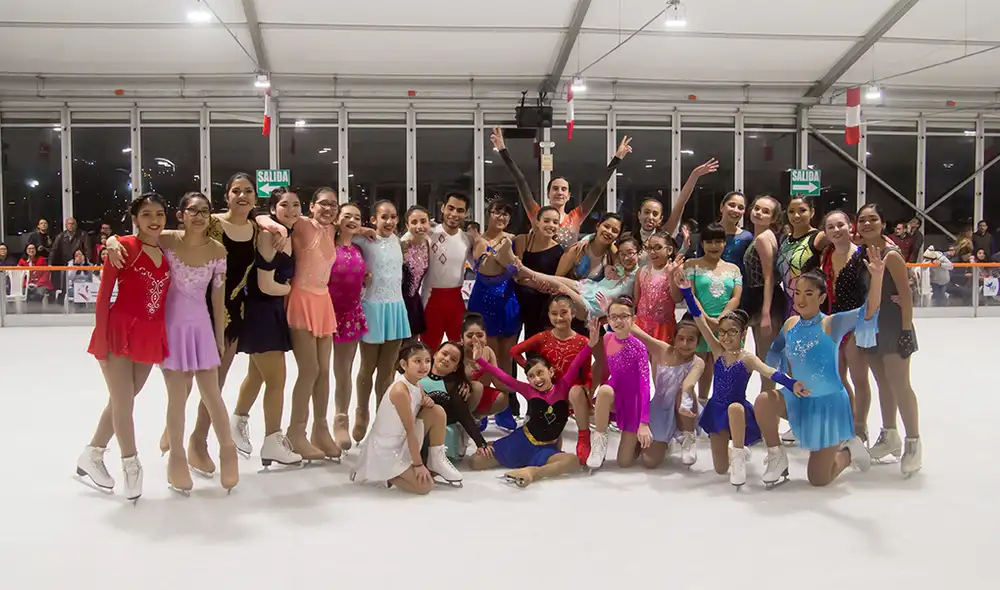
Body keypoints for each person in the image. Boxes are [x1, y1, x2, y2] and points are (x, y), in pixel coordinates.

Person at [676, 269, 808, 489]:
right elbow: (700, 320)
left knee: (735, 407)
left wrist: (792, 384)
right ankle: (732, 452)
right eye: (723, 332)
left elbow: (770, 372)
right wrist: (687, 293)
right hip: (717, 410)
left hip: (737, 410)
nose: (726, 337)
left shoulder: (748, 358)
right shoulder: (717, 351)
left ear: (743, 333)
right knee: (719, 469)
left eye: (732, 332)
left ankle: (738, 454)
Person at [76, 194, 170, 501]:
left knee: (124, 398)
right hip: (120, 329)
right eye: (146, 214)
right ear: (135, 218)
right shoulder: (124, 247)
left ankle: (92, 453)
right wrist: (101, 339)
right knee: (123, 401)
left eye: (159, 213)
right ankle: (131, 464)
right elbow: (103, 297)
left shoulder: (167, 247)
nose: (154, 220)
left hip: (150, 332)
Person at [756, 264, 882, 487]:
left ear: (822, 297)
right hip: (800, 399)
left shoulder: (831, 323)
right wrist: (784, 376)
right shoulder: (790, 324)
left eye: (809, 294)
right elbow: (775, 351)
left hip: (828, 408)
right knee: (764, 401)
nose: (801, 299)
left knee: (818, 479)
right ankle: (776, 456)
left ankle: (849, 451)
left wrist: (878, 276)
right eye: (797, 293)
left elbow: (869, 310)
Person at [157, 192, 239, 494]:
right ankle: (176, 460)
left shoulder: (218, 250)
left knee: (212, 395)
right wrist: (113, 243)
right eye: (193, 210)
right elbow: (134, 239)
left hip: (201, 327)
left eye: (205, 211)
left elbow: (218, 298)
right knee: (177, 397)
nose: (199, 216)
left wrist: (218, 337)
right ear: (181, 214)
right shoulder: (166, 240)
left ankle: (228, 453)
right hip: (171, 328)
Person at [467, 320, 598, 488]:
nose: (536, 379)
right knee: (475, 462)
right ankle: (498, 445)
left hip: (544, 450)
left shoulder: (563, 386)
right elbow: (502, 376)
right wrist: (481, 361)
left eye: (540, 373)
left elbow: (576, 363)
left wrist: (590, 345)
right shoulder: (528, 390)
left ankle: (532, 472)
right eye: (531, 376)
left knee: (572, 462)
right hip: (522, 442)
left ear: (550, 372)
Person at [230, 188, 303, 468]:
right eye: (284, 205)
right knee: (276, 380)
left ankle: (238, 420)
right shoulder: (268, 234)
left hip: (271, 312)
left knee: (258, 376)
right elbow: (265, 283)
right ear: (273, 209)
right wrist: (289, 288)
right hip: (261, 312)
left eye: (296, 205)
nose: (292, 210)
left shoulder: (285, 232)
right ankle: (273, 440)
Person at [856, 204, 922, 477]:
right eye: (862, 220)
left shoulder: (891, 254)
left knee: (900, 384)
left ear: (883, 223)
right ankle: (889, 433)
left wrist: (906, 330)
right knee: (882, 382)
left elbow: (905, 295)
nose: (867, 224)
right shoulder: (860, 253)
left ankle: (913, 443)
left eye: (873, 219)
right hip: (871, 325)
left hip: (894, 325)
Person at [351, 342, 463, 493]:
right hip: (386, 450)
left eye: (427, 361)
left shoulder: (417, 385)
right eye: (417, 361)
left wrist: (426, 401)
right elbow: (410, 430)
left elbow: (419, 403)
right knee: (425, 487)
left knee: (437, 411)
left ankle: (436, 459)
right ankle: (385, 474)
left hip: (402, 441)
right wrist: (418, 466)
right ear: (404, 364)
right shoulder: (400, 391)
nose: (424, 366)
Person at [491, 127, 631, 247]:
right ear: (548, 194)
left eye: (564, 189)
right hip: (541, 272)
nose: (559, 192)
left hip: (567, 274)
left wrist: (617, 159)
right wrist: (503, 150)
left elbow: (598, 188)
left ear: (569, 195)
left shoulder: (576, 216)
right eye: (555, 188)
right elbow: (521, 181)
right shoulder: (536, 214)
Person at [283, 188, 341, 461]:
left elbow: (352, 225)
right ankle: (296, 432)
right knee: (309, 370)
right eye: (323, 204)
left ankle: (321, 428)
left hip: (323, 301)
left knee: (324, 371)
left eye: (333, 205)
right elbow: (264, 218)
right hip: (301, 298)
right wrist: (271, 222)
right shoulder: (303, 224)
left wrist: (364, 231)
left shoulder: (333, 230)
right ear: (311, 206)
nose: (328, 209)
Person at [353, 200, 412, 444]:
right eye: (383, 217)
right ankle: (360, 412)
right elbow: (338, 230)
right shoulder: (365, 240)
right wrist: (359, 230)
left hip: (396, 309)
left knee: (387, 370)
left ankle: (382, 416)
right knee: (367, 366)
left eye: (393, 217)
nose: (389, 222)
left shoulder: (400, 242)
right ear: (374, 219)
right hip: (372, 308)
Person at [510, 294, 593, 464]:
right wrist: (532, 371)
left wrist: (588, 387)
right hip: (550, 391)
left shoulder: (583, 342)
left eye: (564, 312)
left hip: (570, 391)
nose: (559, 318)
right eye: (554, 313)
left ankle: (584, 436)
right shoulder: (543, 337)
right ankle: (549, 445)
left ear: (573, 313)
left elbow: (587, 373)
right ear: (548, 315)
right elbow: (514, 351)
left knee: (577, 391)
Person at [817, 210, 873, 441]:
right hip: (832, 325)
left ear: (850, 226)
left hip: (857, 325)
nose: (836, 230)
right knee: (837, 380)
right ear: (826, 233)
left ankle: (860, 426)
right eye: (831, 227)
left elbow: (874, 290)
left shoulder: (863, 255)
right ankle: (847, 420)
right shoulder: (826, 256)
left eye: (841, 225)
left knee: (860, 379)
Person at [585, 296, 653, 471]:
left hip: (632, 403)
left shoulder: (639, 348)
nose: (618, 321)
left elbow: (645, 386)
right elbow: (601, 366)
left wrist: (644, 422)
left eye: (624, 316)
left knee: (624, 462)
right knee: (605, 390)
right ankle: (599, 442)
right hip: (614, 395)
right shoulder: (607, 338)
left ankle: (638, 440)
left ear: (633, 319)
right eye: (614, 317)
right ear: (608, 319)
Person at [629, 315, 704, 468]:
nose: (685, 344)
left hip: (685, 407)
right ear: (674, 339)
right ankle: (665, 441)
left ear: (697, 343)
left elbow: (688, 384)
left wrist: (684, 405)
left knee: (683, 392)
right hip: (661, 407)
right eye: (681, 338)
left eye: (691, 340)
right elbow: (636, 332)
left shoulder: (698, 362)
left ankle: (688, 436)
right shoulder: (663, 349)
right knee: (649, 462)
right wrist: (611, 312)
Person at [684, 223, 743, 401]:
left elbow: (735, 298)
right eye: (709, 242)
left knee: (726, 365)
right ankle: (698, 405)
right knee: (700, 364)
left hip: (727, 326)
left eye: (718, 241)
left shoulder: (733, 269)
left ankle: (722, 405)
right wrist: (706, 319)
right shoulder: (691, 264)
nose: (714, 246)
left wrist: (722, 319)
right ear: (702, 244)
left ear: (725, 243)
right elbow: (690, 294)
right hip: (699, 323)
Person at [329, 203, 369, 450]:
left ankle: (341, 419)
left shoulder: (358, 248)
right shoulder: (326, 243)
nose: (352, 220)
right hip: (325, 314)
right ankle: (320, 425)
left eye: (357, 217)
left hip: (351, 315)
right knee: (321, 372)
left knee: (344, 371)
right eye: (347, 216)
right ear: (337, 219)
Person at [741, 196, 784, 392]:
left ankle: (768, 410)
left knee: (766, 361)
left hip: (764, 299)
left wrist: (766, 311)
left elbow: (768, 277)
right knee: (763, 358)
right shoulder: (764, 236)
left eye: (765, 211)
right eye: (757, 208)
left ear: (773, 217)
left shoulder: (762, 239)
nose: (758, 213)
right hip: (759, 299)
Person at [420, 192, 472, 349]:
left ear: (466, 213)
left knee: (459, 352)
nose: (454, 214)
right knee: (428, 352)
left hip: (456, 301)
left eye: (460, 210)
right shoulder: (428, 233)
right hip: (431, 300)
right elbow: (404, 241)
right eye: (451, 208)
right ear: (443, 208)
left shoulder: (468, 239)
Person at [419, 341, 490, 456]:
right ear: (435, 354)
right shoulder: (417, 374)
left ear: (455, 368)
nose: (447, 359)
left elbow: (464, 415)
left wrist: (481, 443)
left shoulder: (453, 385)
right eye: (444, 354)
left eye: (453, 359)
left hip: (441, 433)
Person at [635, 231, 683, 344]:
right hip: (640, 326)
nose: (652, 252)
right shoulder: (641, 271)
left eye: (658, 248)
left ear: (669, 250)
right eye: (650, 248)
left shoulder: (675, 271)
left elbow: (678, 298)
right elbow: (636, 301)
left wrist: (671, 275)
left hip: (664, 329)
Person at [401, 205, 431, 342]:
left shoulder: (427, 244)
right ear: (407, 226)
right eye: (414, 222)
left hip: (414, 303)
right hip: (398, 304)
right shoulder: (402, 245)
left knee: (412, 350)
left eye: (423, 221)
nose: (419, 226)